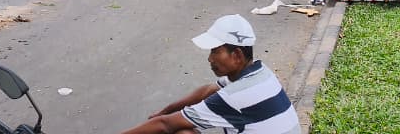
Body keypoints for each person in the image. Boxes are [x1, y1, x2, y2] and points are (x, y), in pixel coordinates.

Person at [120, 14, 300, 134]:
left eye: (215, 51)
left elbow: (166, 125)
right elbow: (208, 90)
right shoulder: (261, 73)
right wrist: (165, 111)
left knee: (183, 132)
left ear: (236, 55)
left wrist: (163, 117)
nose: (210, 59)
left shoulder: (235, 97)